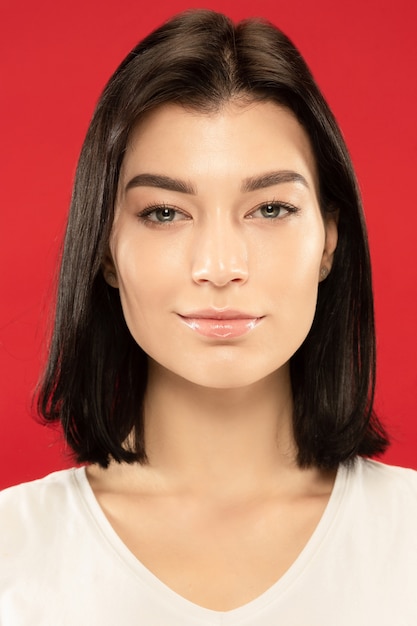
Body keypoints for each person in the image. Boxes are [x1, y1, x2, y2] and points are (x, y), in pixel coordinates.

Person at [0, 9, 416, 624]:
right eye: (165, 213)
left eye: (271, 208)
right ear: (105, 249)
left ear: (329, 239)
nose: (220, 266)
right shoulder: (14, 553)